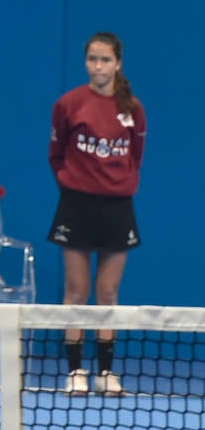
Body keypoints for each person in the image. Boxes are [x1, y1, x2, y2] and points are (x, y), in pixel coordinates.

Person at [48, 31, 146, 397]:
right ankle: (75, 371)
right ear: (86, 62)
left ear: (118, 63)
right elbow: (55, 154)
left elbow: (135, 155)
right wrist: (73, 184)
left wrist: (118, 184)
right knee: (76, 291)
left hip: (118, 208)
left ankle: (106, 372)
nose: (98, 66)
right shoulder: (68, 104)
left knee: (107, 292)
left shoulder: (133, 108)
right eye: (92, 59)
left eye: (105, 59)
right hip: (76, 205)